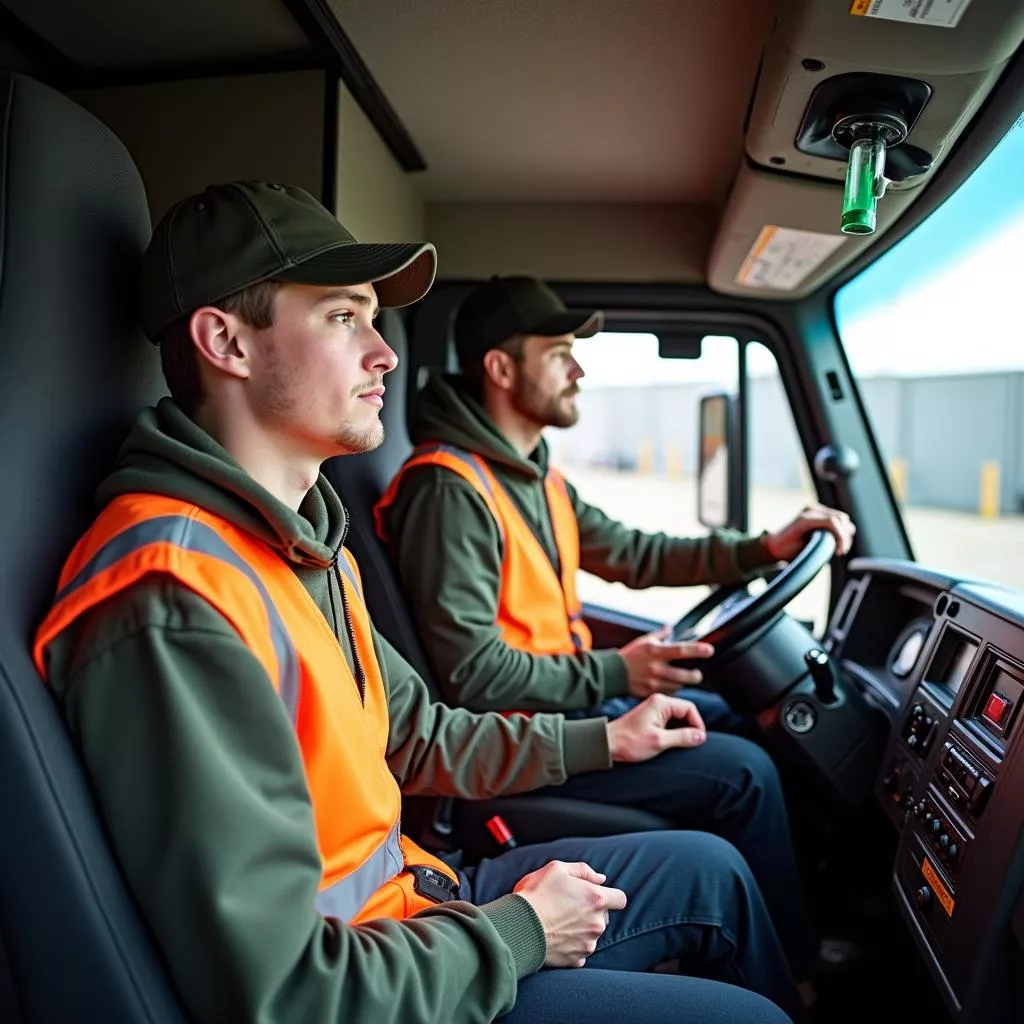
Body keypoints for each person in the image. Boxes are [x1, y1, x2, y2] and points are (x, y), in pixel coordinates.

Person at [33, 183, 800, 1024]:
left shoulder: (303, 547)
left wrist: (604, 734)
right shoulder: (175, 592)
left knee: (709, 872)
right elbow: (288, 991)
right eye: (341, 317)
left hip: (414, 903)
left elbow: (419, 732)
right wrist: (519, 930)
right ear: (227, 342)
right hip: (373, 975)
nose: (386, 354)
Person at [376, 274, 857, 986]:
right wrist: (618, 674)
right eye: (560, 352)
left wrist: (766, 547)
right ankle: (795, 968)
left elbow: (636, 553)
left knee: (749, 721)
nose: (580, 370)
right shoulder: (449, 490)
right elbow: (472, 678)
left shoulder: (533, 476)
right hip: (515, 749)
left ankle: (795, 934)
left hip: (569, 710)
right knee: (746, 773)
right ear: (502, 369)